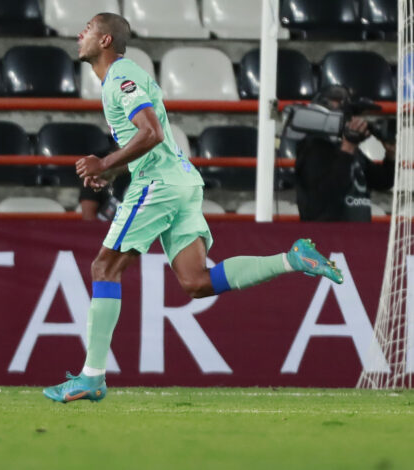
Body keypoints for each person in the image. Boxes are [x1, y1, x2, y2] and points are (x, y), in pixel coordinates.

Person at [43, 13, 344, 404]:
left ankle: (92, 377)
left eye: (89, 28)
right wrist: (114, 170)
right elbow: (150, 136)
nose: (80, 33)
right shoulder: (119, 78)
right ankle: (292, 259)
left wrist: (103, 163)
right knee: (197, 281)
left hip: (159, 184)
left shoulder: (120, 77)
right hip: (182, 181)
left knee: (104, 268)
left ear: (105, 41)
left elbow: (151, 132)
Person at [293, 85, 395, 221]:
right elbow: (325, 196)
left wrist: (390, 154)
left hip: (358, 230)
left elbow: (383, 181)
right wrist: (348, 146)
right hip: (329, 231)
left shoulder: (351, 150)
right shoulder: (313, 148)